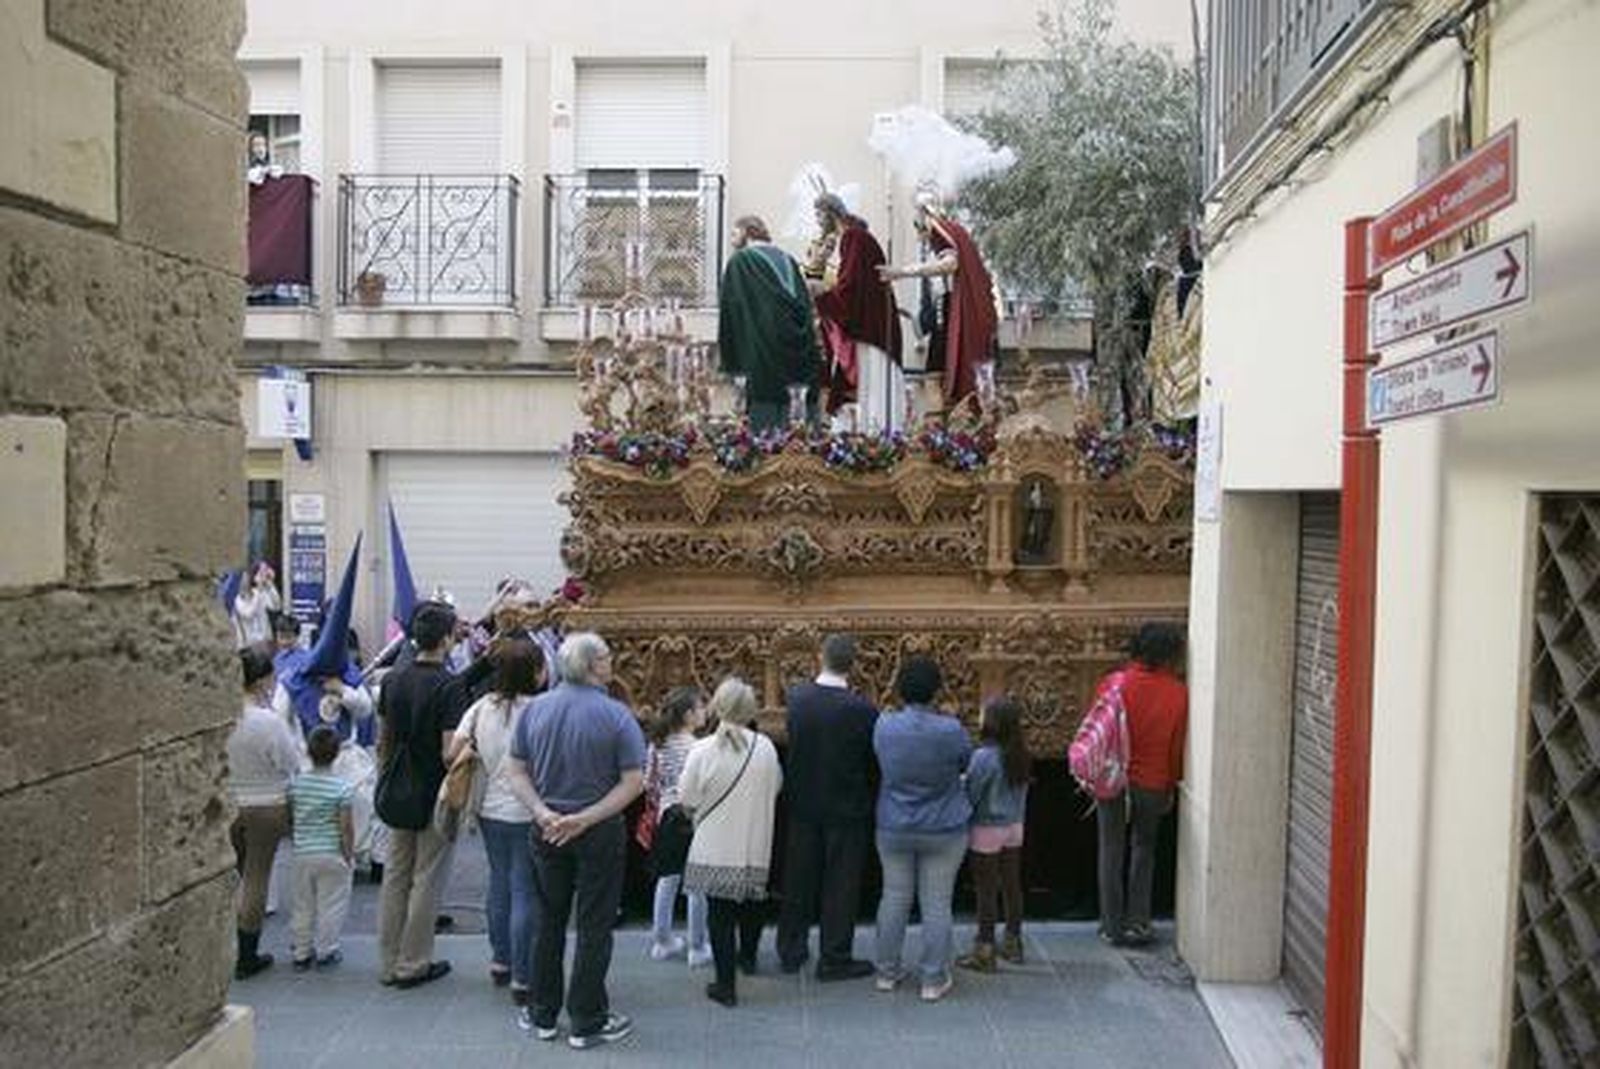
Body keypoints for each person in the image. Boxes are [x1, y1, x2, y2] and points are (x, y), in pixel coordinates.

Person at [505, 633, 644, 1050]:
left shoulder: (535, 711)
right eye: (605, 656)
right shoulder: (617, 716)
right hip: (598, 831)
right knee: (594, 925)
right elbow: (633, 781)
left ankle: (543, 1013)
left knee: (548, 921)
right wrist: (586, 818)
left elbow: (516, 771)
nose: (611, 661)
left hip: (547, 829)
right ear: (590, 666)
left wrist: (543, 812)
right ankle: (587, 1020)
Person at [373, 600, 483, 989]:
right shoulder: (448, 686)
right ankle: (413, 961)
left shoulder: (392, 680)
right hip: (432, 789)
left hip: (396, 785)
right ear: (448, 639)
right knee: (426, 878)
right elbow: (448, 750)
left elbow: (383, 739)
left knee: (395, 875)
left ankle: (388, 961)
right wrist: (472, 748)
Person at [776, 634, 879, 981]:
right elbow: (869, 760)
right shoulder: (862, 709)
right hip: (846, 806)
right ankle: (834, 956)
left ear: (820, 658)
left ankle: (791, 948)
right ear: (853, 665)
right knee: (841, 883)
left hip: (803, 802)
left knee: (798, 879)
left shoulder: (798, 699)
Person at [447, 637, 542, 1008]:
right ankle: (523, 975)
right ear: (532, 673)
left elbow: (453, 753)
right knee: (524, 888)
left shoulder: (480, 708)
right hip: (528, 808)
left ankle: (500, 960)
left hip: (487, 809)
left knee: (499, 881)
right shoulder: (538, 710)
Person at [871, 655, 972, 1002]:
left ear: (900, 689)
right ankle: (933, 978)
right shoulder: (950, 729)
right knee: (937, 903)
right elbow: (964, 762)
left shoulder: (884, 725)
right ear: (936, 690)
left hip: (894, 823)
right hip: (944, 825)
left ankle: (886, 971)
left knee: (894, 896)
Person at [680, 678, 783, 1007]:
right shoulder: (765, 747)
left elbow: (687, 797)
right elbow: (776, 786)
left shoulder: (702, 749)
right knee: (753, 902)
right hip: (754, 839)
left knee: (719, 913)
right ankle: (748, 957)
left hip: (714, 843)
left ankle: (725, 984)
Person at [1097, 623, 1188, 947]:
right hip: (1153, 780)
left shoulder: (1114, 684)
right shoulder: (1178, 692)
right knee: (1144, 848)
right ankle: (1138, 921)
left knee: (1110, 849)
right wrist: (1173, 782)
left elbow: (1100, 732)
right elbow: (1177, 746)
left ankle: (1110, 925)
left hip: (1112, 778)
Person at [880, 193, 998, 411]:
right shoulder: (954, 233)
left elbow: (950, 264)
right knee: (938, 380)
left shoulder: (941, 232)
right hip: (946, 310)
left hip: (948, 311)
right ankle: (945, 429)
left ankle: (938, 434)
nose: (919, 235)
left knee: (932, 378)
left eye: (918, 225)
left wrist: (903, 271)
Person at [228, 644, 301, 979]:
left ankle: (226, 943)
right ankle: (248, 953)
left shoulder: (223, 716)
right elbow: (289, 762)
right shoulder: (268, 721)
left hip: (230, 801)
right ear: (262, 681)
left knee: (233, 875)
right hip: (266, 803)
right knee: (257, 876)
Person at [718, 215, 824, 431]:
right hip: (800, 355)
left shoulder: (741, 261)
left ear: (748, 231)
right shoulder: (789, 259)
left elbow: (732, 311)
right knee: (799, 434)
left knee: (765, 439)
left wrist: (732, 361)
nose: (732, 240)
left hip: (763, 357)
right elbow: (804, 306)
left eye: (734, 233)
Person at [810, 193, 904, 432]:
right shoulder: (858, 237)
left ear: (831, 213)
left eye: (819, 214)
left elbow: (850, 288)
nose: (817, 220)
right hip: (873, 327)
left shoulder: (853, 237)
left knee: (867, 398)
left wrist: (821, 294)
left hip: (868, 331)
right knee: (854, 396)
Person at [955, 697, 1031, 973]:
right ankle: (1013, 941)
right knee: (1012, 885)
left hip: (987, 826)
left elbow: (972, 795)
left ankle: (984, 948)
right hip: (1014, 826)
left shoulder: (983, 756)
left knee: (986, 890)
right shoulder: (1021, 754)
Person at [642, 686, 711, 966]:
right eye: (701, 707)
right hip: (691, 816)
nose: (705, 712)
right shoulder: (697, 747)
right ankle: (697, 946)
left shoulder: (657, 744)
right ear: (689, 715)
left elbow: (648, 783)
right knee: (697, 884)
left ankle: (662, 940)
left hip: (666, 815)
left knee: (667, 879)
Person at [289, 725, 356, 970]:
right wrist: (349, 854)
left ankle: (301, 950)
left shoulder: (296, 785)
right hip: (332, 852)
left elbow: (291, 817)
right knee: (331, 904)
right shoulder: (342, 788)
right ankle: (326, 949)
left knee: (302, 903)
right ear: (337, 753)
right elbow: (346, 828)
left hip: (302, 853)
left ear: (307, 752)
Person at [233, 561, 281, 649]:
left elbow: (276, 606)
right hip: (249, 644)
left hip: (265, 641)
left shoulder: (262, 593)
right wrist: (259, 590)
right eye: (261, 572)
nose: (264, 575)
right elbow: (248, 613)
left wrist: (270, 585)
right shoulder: (240, 598)